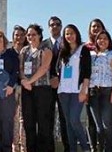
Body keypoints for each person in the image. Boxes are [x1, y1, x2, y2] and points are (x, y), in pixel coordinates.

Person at [19, 23, 55, 152]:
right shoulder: (24, 51)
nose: (30, 37)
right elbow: (21, 68)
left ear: (39, 35)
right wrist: (24, 81)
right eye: (28, 35)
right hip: (27, 90)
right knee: (29, 123)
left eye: (33, 34)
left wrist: (30, 81)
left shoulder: (45, 50)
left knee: (43, 123)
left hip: (42, 90)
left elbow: (44, 68)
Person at [56, 24, 92, 152]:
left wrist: (84, 90)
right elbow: (57, 69)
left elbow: (87, 72)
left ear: (76, 34)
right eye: (66, 34)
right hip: (63, 91)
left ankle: (86, 148)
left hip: (78, 91)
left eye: (71, 33)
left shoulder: (84, 49)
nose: (69, 36)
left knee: (74, 119)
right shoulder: (63, 51)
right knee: (68, 123)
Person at [87, 31, 112, 152]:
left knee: (107, 124)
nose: (102, 41)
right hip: (93, 92)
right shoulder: (91, 55)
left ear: (109, 40)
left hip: (107, 91)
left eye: (105, 38)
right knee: (99, 127)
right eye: (99, 38)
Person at [85, 19, 108, 152]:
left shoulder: (107, 46)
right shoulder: (85, 48)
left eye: (98, 26)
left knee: (104, 123)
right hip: (90, 88)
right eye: (93, 26)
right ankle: (93, 147)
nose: (95, 29)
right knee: (91, 121)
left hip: (105, 89)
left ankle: (104, 147)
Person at [46, 16, 67, 152]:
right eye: (52, 25)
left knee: (65, 119)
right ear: (49, 27)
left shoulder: (67, 43)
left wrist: (58, 79)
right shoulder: (43, 44)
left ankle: (68, 148)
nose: (55, 27)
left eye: (57, 24)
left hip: (64, 86)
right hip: (47, 87)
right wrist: (50, 79)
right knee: (47, 119)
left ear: (61, 26)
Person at [11, 25, 28, 152]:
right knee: (13, 118)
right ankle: (14, 146)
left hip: (25, 88)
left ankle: (24, 147)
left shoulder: (28, 52)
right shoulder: (9, 52)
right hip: (12, 88)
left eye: (22, 35)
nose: (19, 37)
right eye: (17, 35)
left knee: (24, 118)